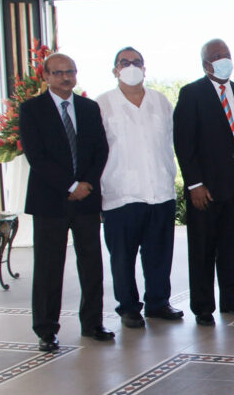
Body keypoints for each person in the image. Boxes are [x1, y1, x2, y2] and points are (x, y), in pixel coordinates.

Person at [19, 53, 112, 351]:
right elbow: (36, 156)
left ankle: (93, 323)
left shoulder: (88, 107)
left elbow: (101, 149)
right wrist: (71, 185)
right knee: (49, 267)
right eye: (58, 72)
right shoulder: (32, 109)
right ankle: (46, 330)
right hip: (50, 201)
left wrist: (86, 185)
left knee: (92, 264)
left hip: (86, 200)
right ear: (46, 76)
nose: (65, 77)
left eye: (70, 71)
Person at [174, 39, 234, 326]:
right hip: (205, 189)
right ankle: (202, 307)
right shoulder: (191, 94)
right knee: (203, 249)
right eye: (217, 56)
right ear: (205, 64)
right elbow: (184, 143)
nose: (224, 59)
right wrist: (194, 184)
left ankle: (233, 300)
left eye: (227, 54)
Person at [96, 47, 183, 329]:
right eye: (125, 62)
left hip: (160, 190)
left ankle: (158, 303)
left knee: (159, 253)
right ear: (115, 70)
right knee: (123, 257)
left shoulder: (160, 101)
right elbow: (95, 150)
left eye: (137, 62)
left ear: (145, 69)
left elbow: (171, 142)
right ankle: (128, 307)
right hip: (120, 193)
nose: (131, 66)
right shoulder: (102, 104)